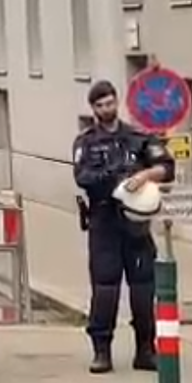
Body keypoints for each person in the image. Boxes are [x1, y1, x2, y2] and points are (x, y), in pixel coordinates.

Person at [73, 80, 174, 373]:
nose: (106, 109)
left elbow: (166, 167)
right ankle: (101, 350)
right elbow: (83, 177)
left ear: (117, 102)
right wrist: (115, 176)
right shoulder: (86, 141)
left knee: (144, 289)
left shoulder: (138, 137)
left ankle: (145, 349)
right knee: (105, 289)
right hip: (104, 222)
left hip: (136, 225)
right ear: (93, 109)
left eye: (110, 102)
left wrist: (144, 176)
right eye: (100, 105)